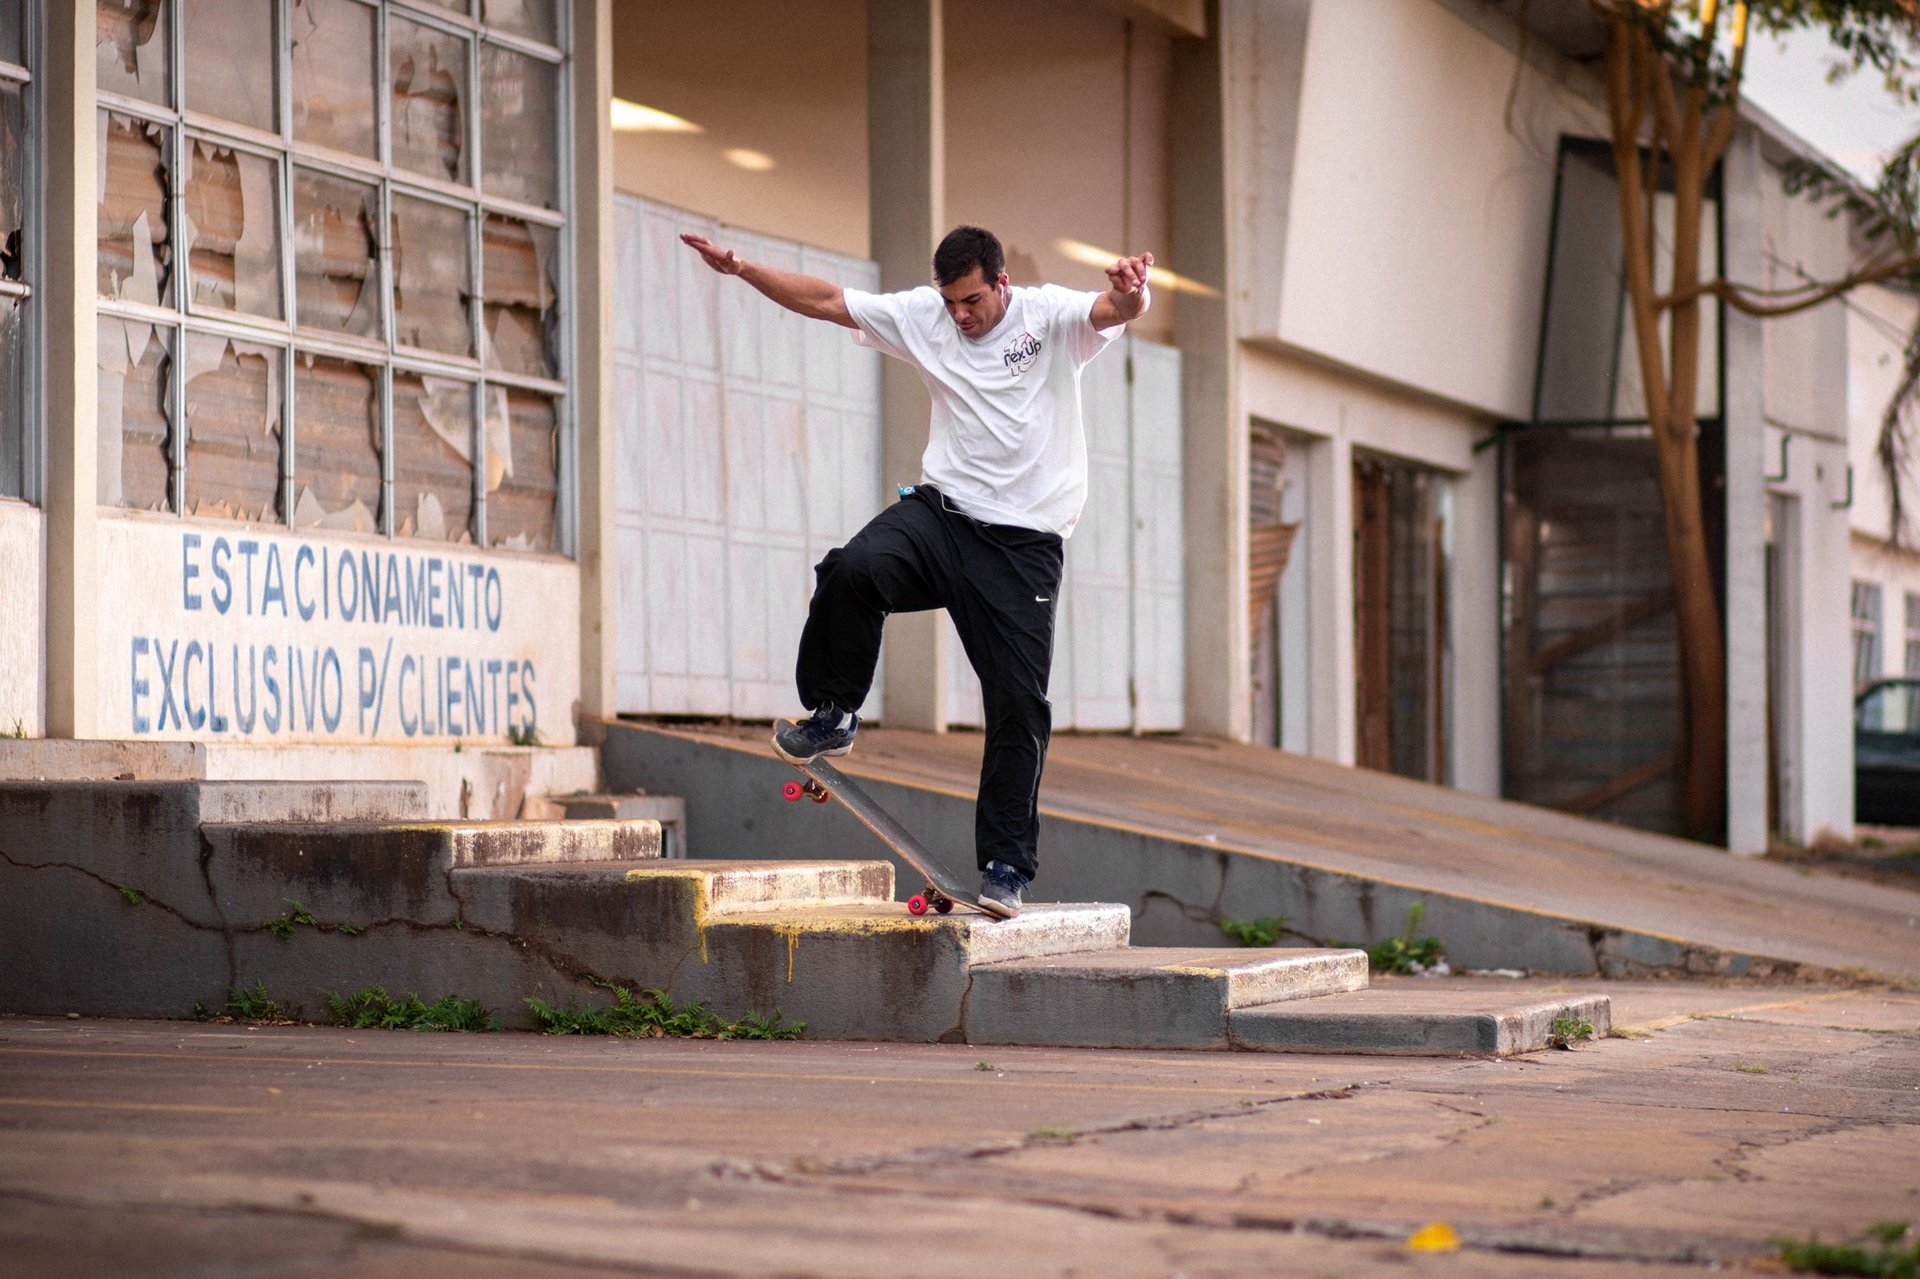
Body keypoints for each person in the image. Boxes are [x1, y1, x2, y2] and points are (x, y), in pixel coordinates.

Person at [681, 224, 1151, 918]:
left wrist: (1131, 296)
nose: (961, 317)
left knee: (1019, 704)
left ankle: (1005, 865)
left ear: (1001, 285)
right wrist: (743, 268)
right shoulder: (924, 317)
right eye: (950, 303)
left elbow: (1111, 314)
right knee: (853, 568)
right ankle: (835, 711)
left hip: (1023, 546)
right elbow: (828, 301)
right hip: (943, 517)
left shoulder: (1047, 316)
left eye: (972, 302)